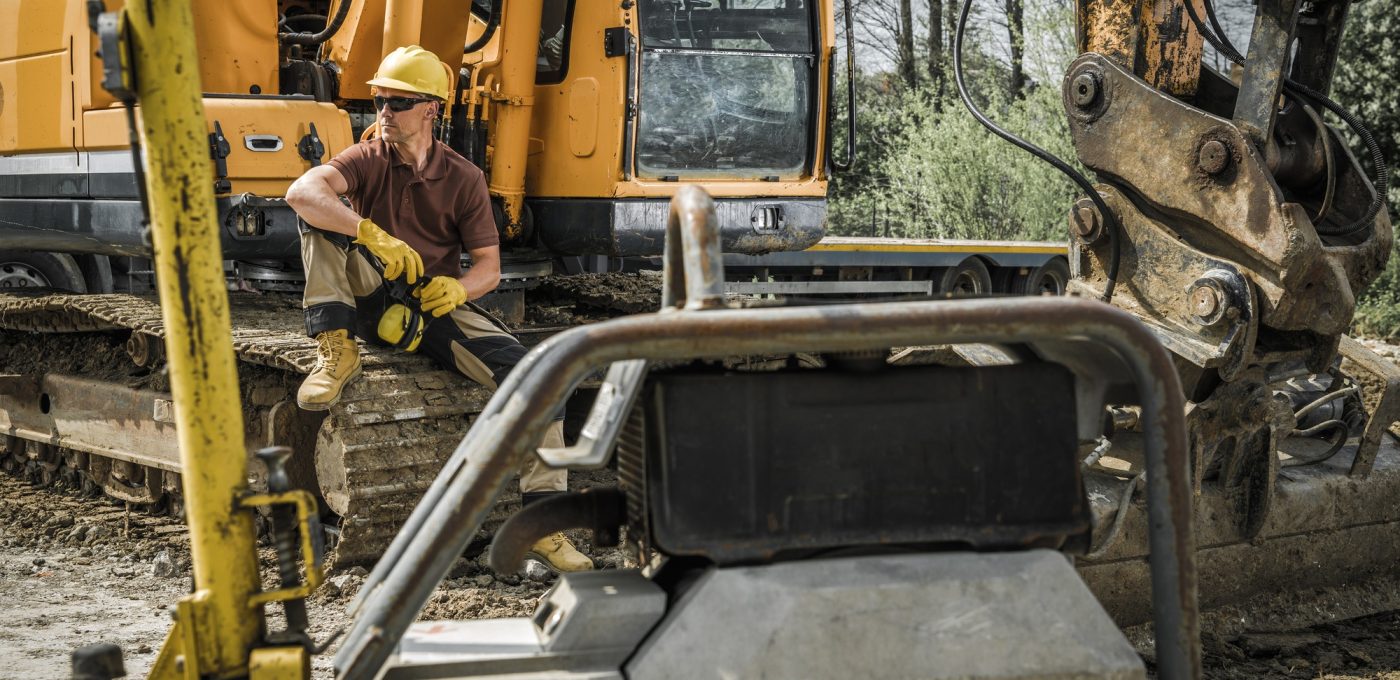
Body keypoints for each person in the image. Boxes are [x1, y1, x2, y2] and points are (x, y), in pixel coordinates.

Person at [284, 45, 592, 573]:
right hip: (364, 293)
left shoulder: (464, 177)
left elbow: (488, 268)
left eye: (398, 102)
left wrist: (458, 290)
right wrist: (369, 232)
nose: (384, 111)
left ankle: (542, 528)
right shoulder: (366, 158)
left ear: (431, 108)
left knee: (541, 380)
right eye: (379, 101)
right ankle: (335, 350)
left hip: (428, 304)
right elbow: (302, 190)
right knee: (318, 216)